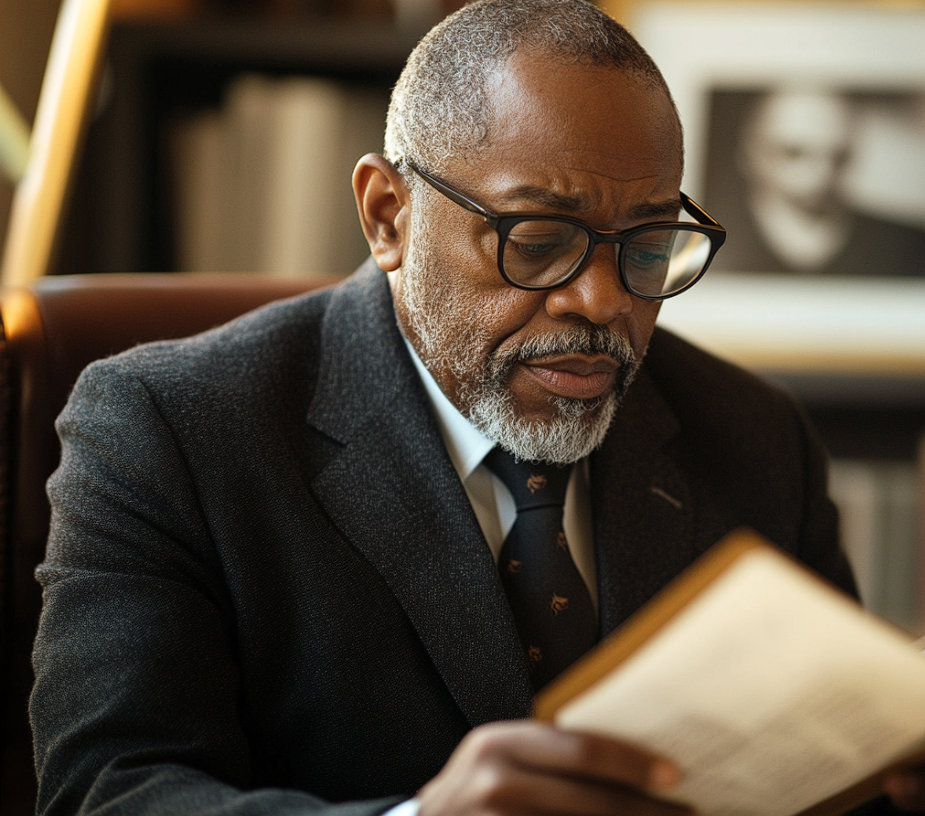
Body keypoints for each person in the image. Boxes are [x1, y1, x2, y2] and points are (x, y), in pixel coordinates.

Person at [29, 1, 925, 815]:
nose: (603, 302)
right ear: (388, 216)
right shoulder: (165, 429)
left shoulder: (756, 438)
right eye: (538, 240)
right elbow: (108, 793)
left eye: (649, 244)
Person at [713, 86, 925, 276]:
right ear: (750, 154)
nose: (821, 173)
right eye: (794, 153)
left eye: (837, 156)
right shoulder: (704, 238)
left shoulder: (906, 246)